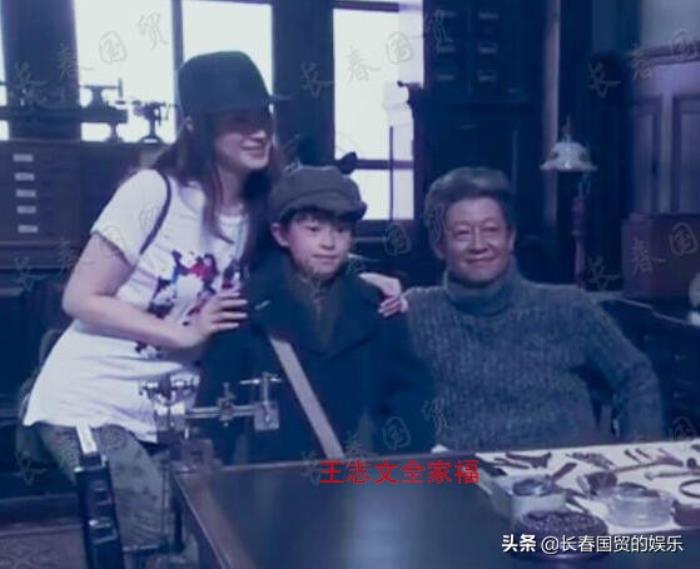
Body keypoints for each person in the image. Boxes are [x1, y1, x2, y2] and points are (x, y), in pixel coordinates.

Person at [20, 52, 405, 557]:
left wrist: (361, 277)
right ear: (195, 127)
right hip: (91, 401)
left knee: (204, 532)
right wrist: (182, 334)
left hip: (177, 407)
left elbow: (304, 250)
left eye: (263, 116)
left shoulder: (261, 206)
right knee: (152, 525)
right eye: (238, 120)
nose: (258, 132)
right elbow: (81, 296)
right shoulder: (152, 192)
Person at [405, 167, 664, 453]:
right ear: (440, 246)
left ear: (510, 238)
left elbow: (636, 378)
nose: (478, 245)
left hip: (569, 474)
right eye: (463, 233)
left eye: (491, 230)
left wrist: (639, 456)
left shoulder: (567, 307)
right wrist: (370, 283)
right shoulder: (416, 312)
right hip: (464, 476)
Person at [198, 165, 435, 464]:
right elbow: (217, 412)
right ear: (281, 234)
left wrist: (391, 459)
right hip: (270, 480)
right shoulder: (244, 310)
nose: (329, 243)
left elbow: (411, 397)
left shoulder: (379, 305)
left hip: (362, 476)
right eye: (313, 229)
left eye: (341, 230)